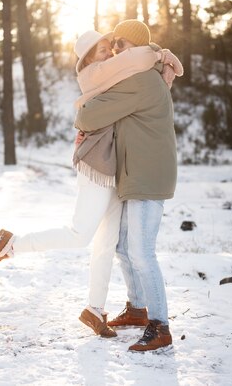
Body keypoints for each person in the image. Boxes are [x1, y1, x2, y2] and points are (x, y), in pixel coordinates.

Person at [0, 27, 182, 340]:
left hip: (116, 169)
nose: (111, 52)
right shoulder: (104, 75)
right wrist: (158, 54)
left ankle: (94, 308)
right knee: (80, 235)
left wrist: (159, 55)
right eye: (102, 50)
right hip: (97, 164)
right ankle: (12, 244)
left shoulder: (122, 73)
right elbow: (87, 117)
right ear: (89, 59)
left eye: (112, 46)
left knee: (108, 242)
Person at [75, 19, 179, 352]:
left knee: (141, 252)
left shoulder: (140, 80)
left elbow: (88, 117)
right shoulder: (137, 76)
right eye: (114, 44)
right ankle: (137, 309)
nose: (117, 50)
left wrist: (84, 113)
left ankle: (160, 325)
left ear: (135, 46)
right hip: (137, 174)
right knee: (122, 246)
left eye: (122, 44)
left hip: (147, 175)